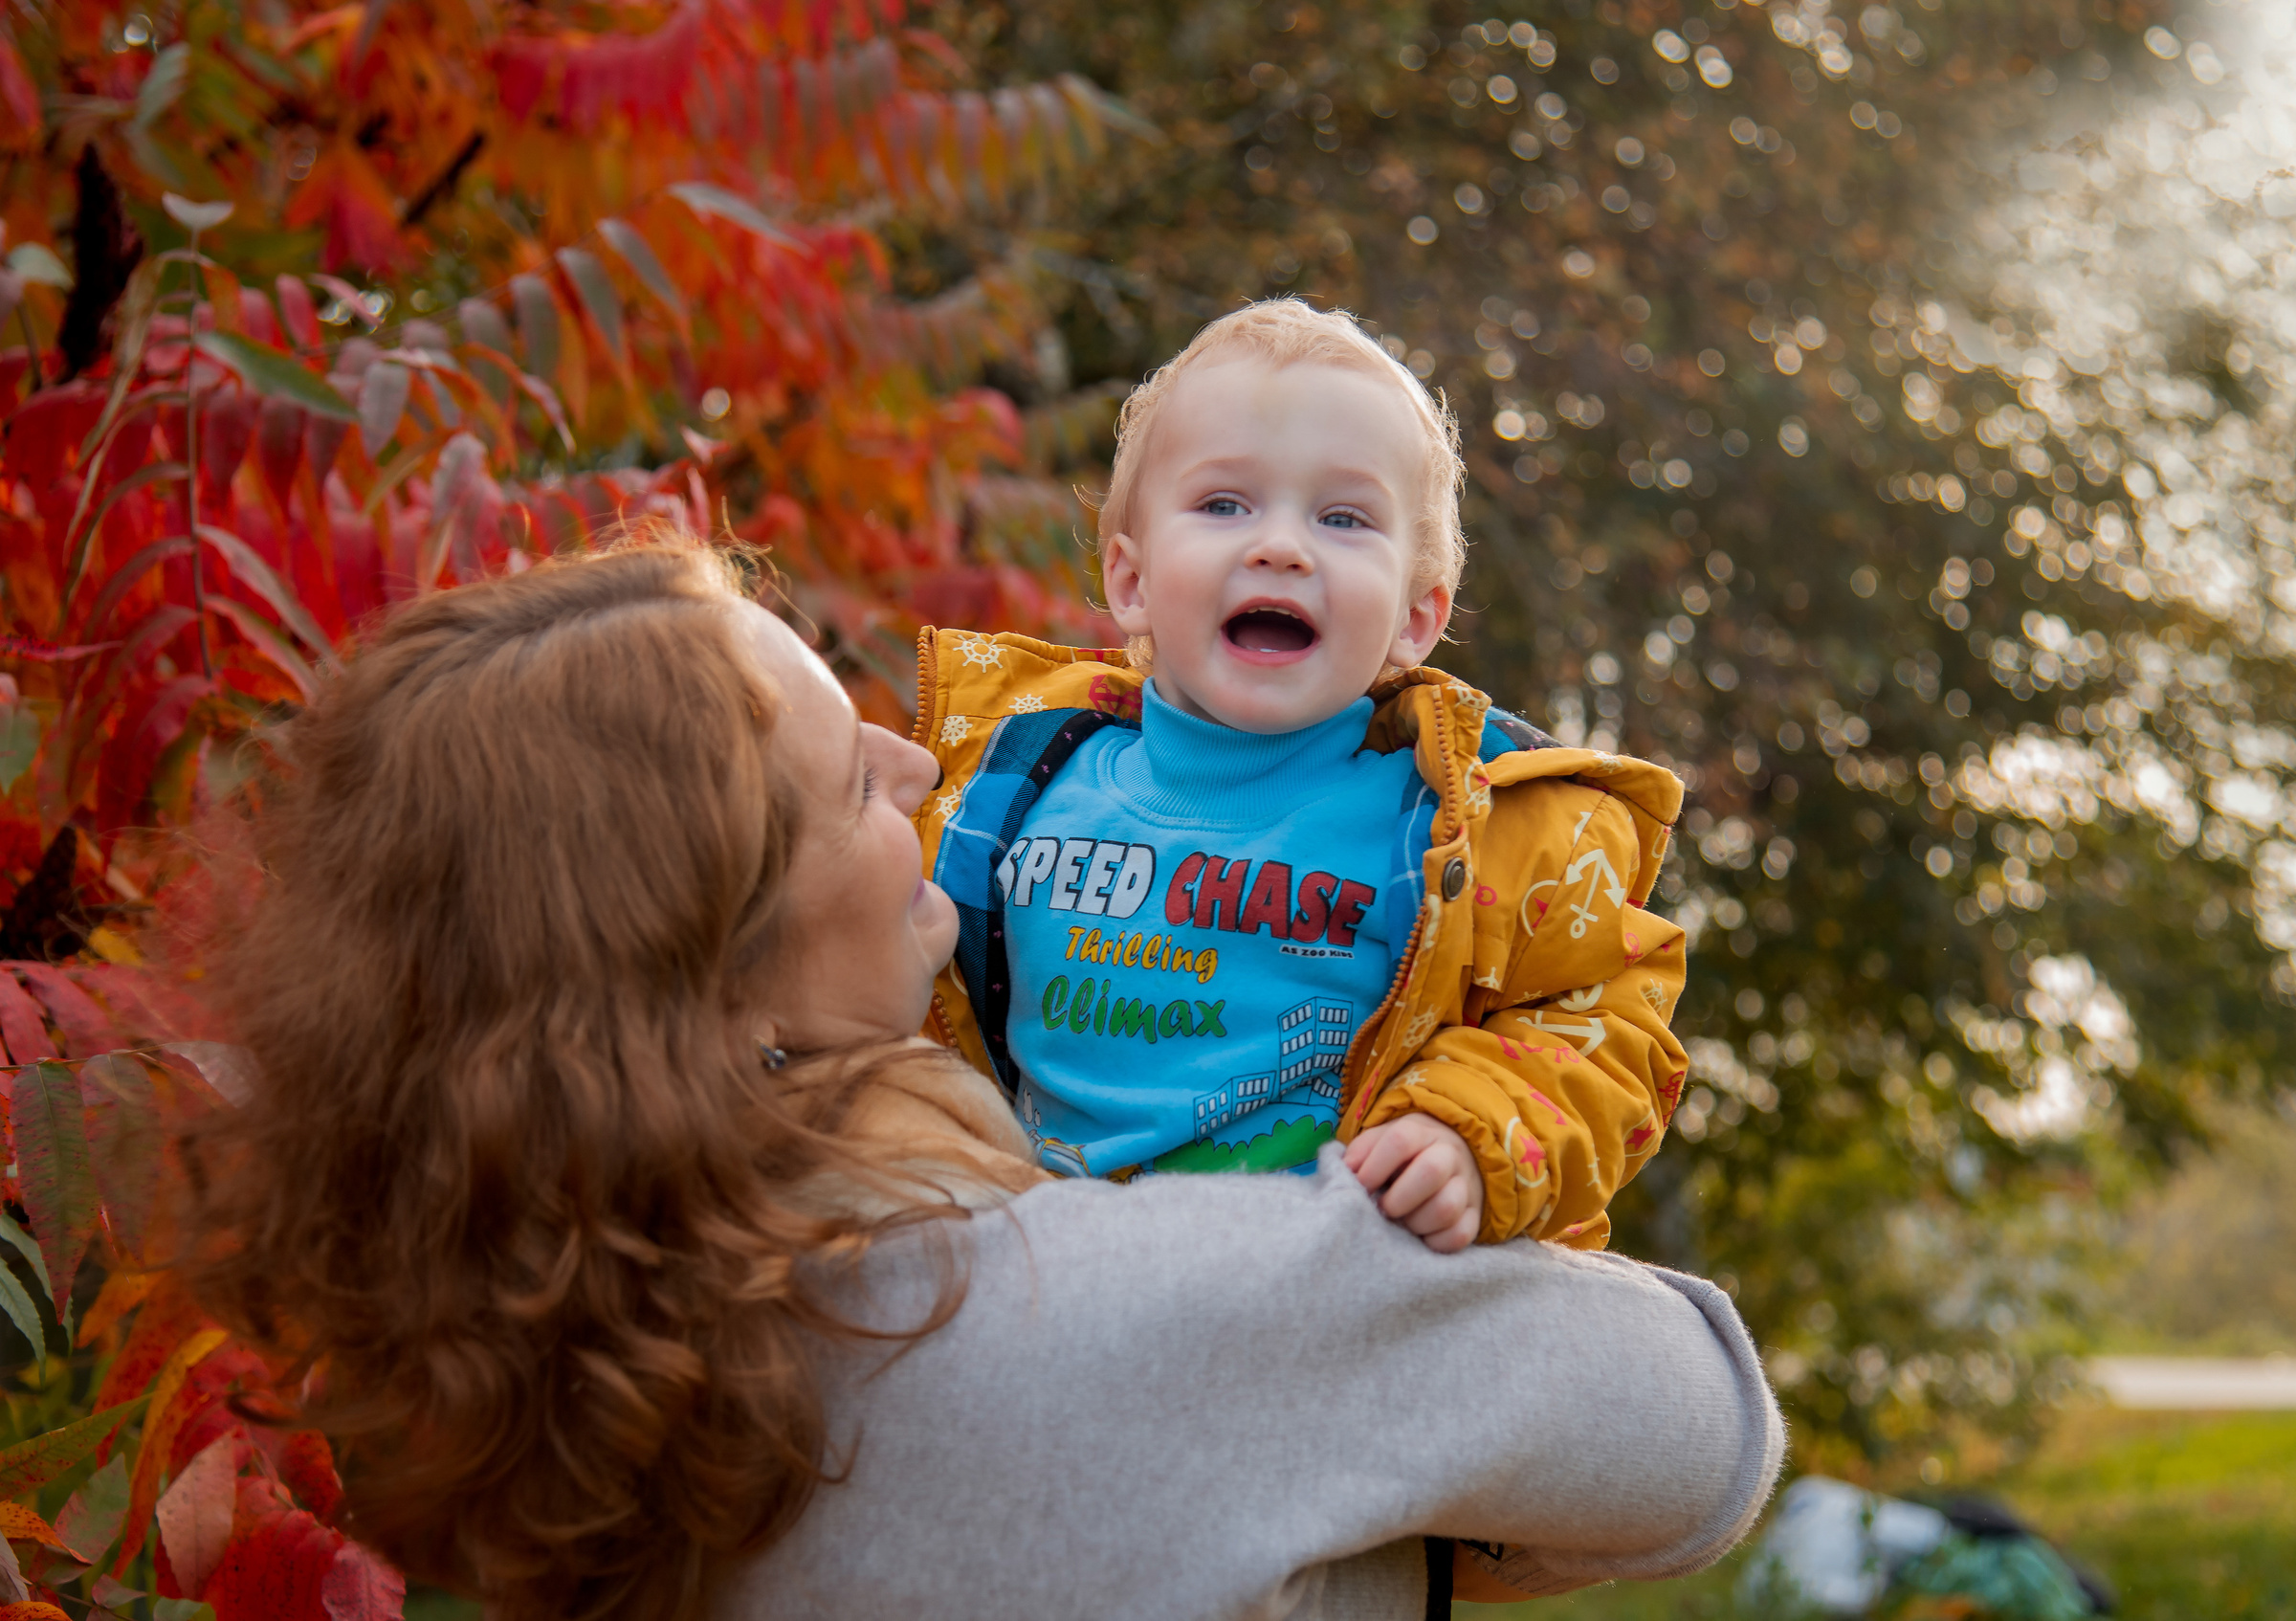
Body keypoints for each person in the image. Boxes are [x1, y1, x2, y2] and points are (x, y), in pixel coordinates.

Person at [180, 539, 1783, 1621]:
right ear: (711, 976)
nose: (911, 759)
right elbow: (1697, 1426)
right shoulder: (1107, 1312)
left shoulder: (531, 1371)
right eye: (836, 779)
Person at [917, 298, 1689, 1252]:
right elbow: (869, 994)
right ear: (1131, 581)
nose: (1281, 544)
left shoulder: (1468, 826)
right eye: (1223, 504)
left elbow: (1604, 1023)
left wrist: (1471, 1127)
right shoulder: (998, 785)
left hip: (1327, 1291)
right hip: (1048, 1276)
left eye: (1342, 516)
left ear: (1416, 616)